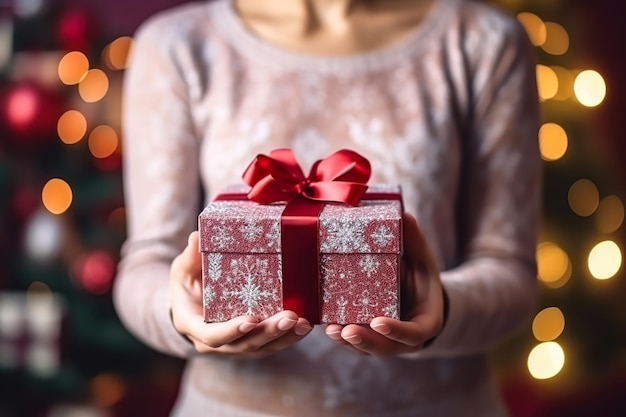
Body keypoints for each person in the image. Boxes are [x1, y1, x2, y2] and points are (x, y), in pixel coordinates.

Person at [113, 0, 542, 415]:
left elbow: (510, 268)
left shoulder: (482, 40)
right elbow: (146, 263)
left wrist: (444, 308)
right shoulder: (178, 45)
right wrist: (179, 316)